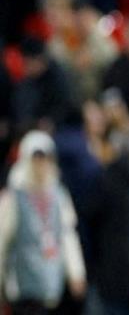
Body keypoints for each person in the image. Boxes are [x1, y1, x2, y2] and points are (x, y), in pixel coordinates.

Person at [0, 130, 86, 314]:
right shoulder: (14, 196)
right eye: (36, 159)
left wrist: (76, 272)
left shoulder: (58, 195)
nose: (41, 165)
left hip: (51, 280)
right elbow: (2, 242)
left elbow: (67, 235)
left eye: (44, 158)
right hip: (22, 284)